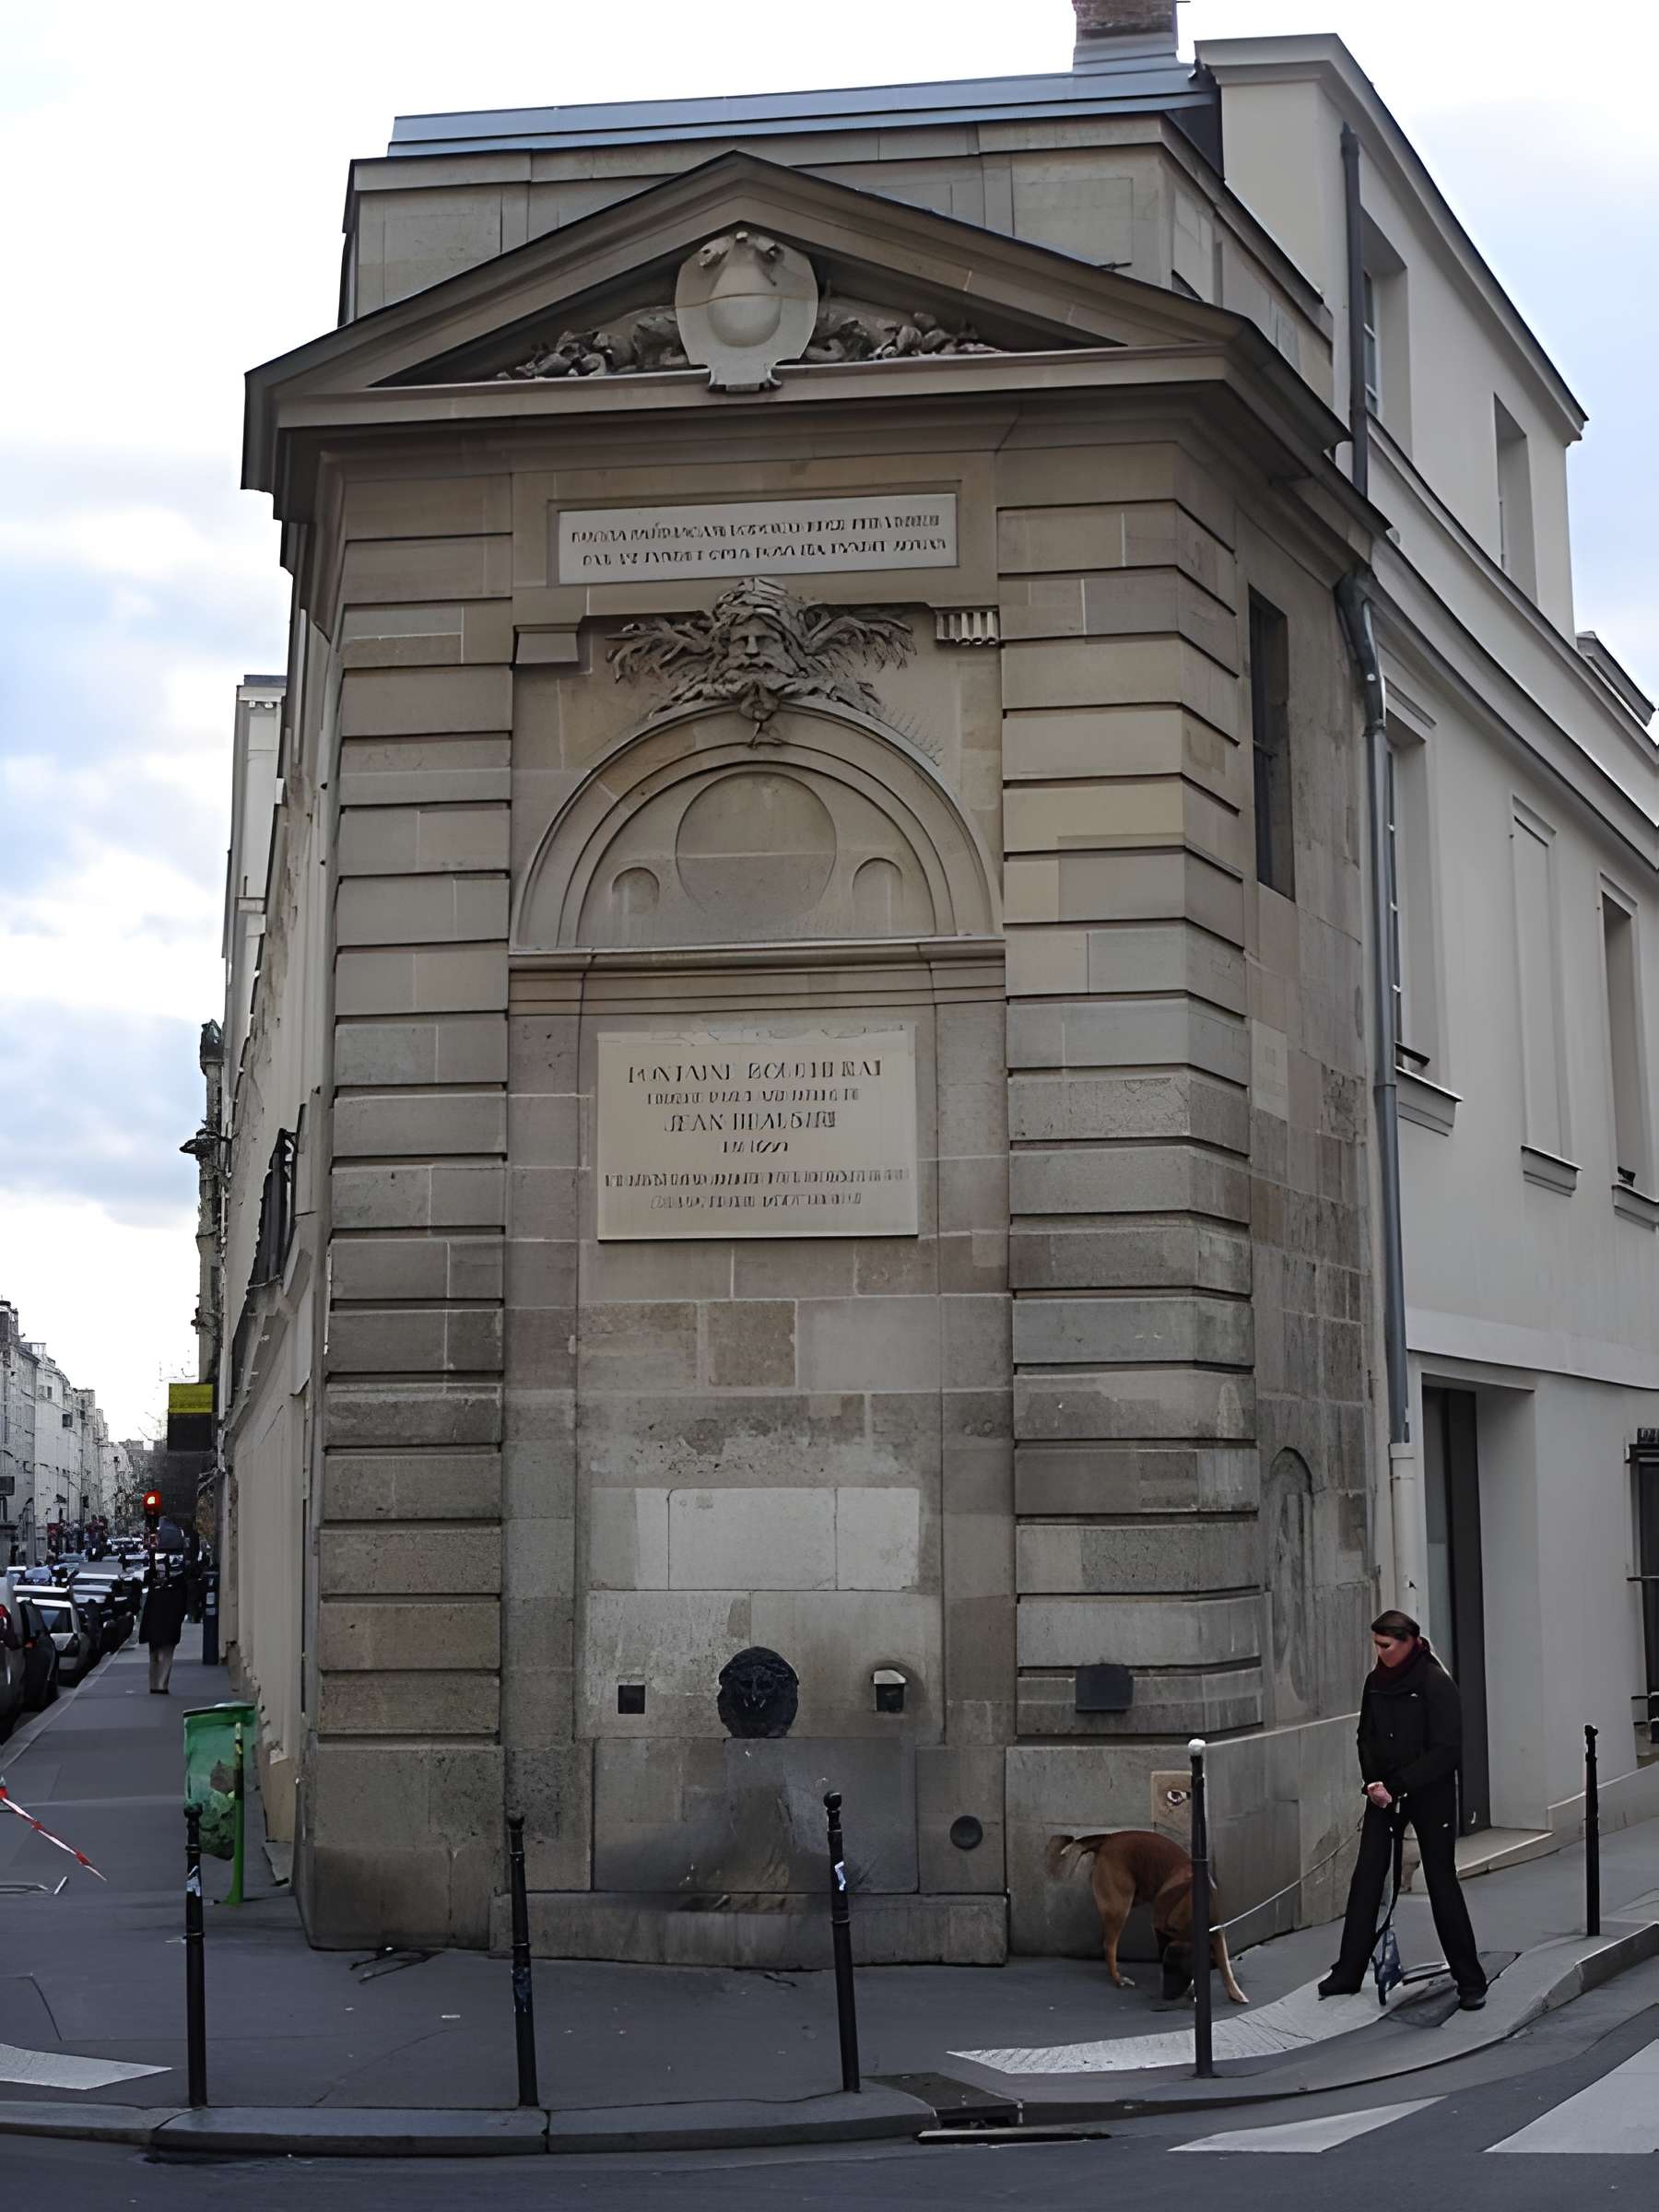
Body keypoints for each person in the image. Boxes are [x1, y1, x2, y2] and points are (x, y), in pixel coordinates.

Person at [1320, 1608, 1488, 2010]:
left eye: (1386, 1645)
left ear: (1410, 1641)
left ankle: (1471, 1981)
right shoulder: (1376, 1682)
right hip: (1385, 1793)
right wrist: (1373, 1783)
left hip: (1428, 1794)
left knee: (1441, 1881)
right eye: (1376, 1645)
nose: (1380, 1653)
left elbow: (1447, 1751)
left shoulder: (1435, 1683)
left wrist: (1395, 1785)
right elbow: (1366, 1735)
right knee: (1367, 1877)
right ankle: (1348, 1971)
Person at [139, 1564, 189, 1695]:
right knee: (160, 1655)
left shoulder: (160, 1588)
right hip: (162, 1625)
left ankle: (159, 1685)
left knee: (160, 1655)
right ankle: (159, 1685)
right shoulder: (176, 1588)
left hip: (160, 1625)